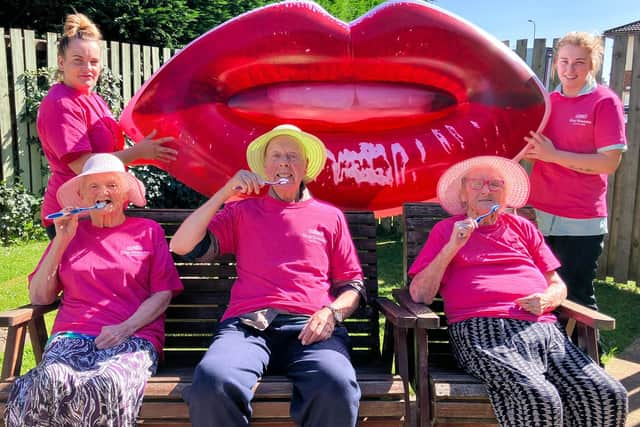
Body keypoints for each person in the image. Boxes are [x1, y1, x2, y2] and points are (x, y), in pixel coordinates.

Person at [409, 155, 628, 427]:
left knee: (607, 394)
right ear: (463, 194)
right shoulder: (445, 231)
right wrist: (453, 246)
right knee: (540, 397)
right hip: (483, 332)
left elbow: (558, 284)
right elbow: (420, 295)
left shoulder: (523, 228)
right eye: (477, 184)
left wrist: (548, 299)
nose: (487, 190)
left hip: (544, 330)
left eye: (495, 184)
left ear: (506, 194)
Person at [170, 124, 364, 427]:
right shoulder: (242, 211)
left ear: (306, 167)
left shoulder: (330, 216)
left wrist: (332, 313)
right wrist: (224, 193)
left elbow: (352, 286)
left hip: (310, 327)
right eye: (276, 156)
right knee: (212, 381)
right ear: (264, 166)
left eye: (292, 156)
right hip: (248, 327)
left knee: (336, 386)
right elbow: (181, 245)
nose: (284, 163)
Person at [4, 153, 183, 426]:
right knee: (50, 379)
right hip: (72, 336)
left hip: (131, 336)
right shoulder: (71, 233)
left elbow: (163, 293)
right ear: (82, 196)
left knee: (106, 383)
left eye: (112, 185)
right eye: (93, 186)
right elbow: (40, 297)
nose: (103, 192)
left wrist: (125, 327)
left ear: (125, 193)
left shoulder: (147, 232)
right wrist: (61, 242)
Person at [38, 13, 177, 239]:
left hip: (102, 209)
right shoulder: (60, 103)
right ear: (61, 63)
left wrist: (153, 153)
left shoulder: (94, 99)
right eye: (78, 60)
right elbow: (84, 166)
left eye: (94, 62)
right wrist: (138, 152)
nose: (88, 68)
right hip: (73, 216)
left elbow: (108, 155)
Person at [523, 32, 626, 311]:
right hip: (538, 215)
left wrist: (554, 156)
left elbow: (608, 162)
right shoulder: (546, 102)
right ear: (556, 62)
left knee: (575, 300)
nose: (569, 70)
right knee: (539, 294)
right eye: (564, 61)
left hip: (581, 219)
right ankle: (547, 354)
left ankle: (588, 356)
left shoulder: (604, 102)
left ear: (592, 64)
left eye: (579, 62)